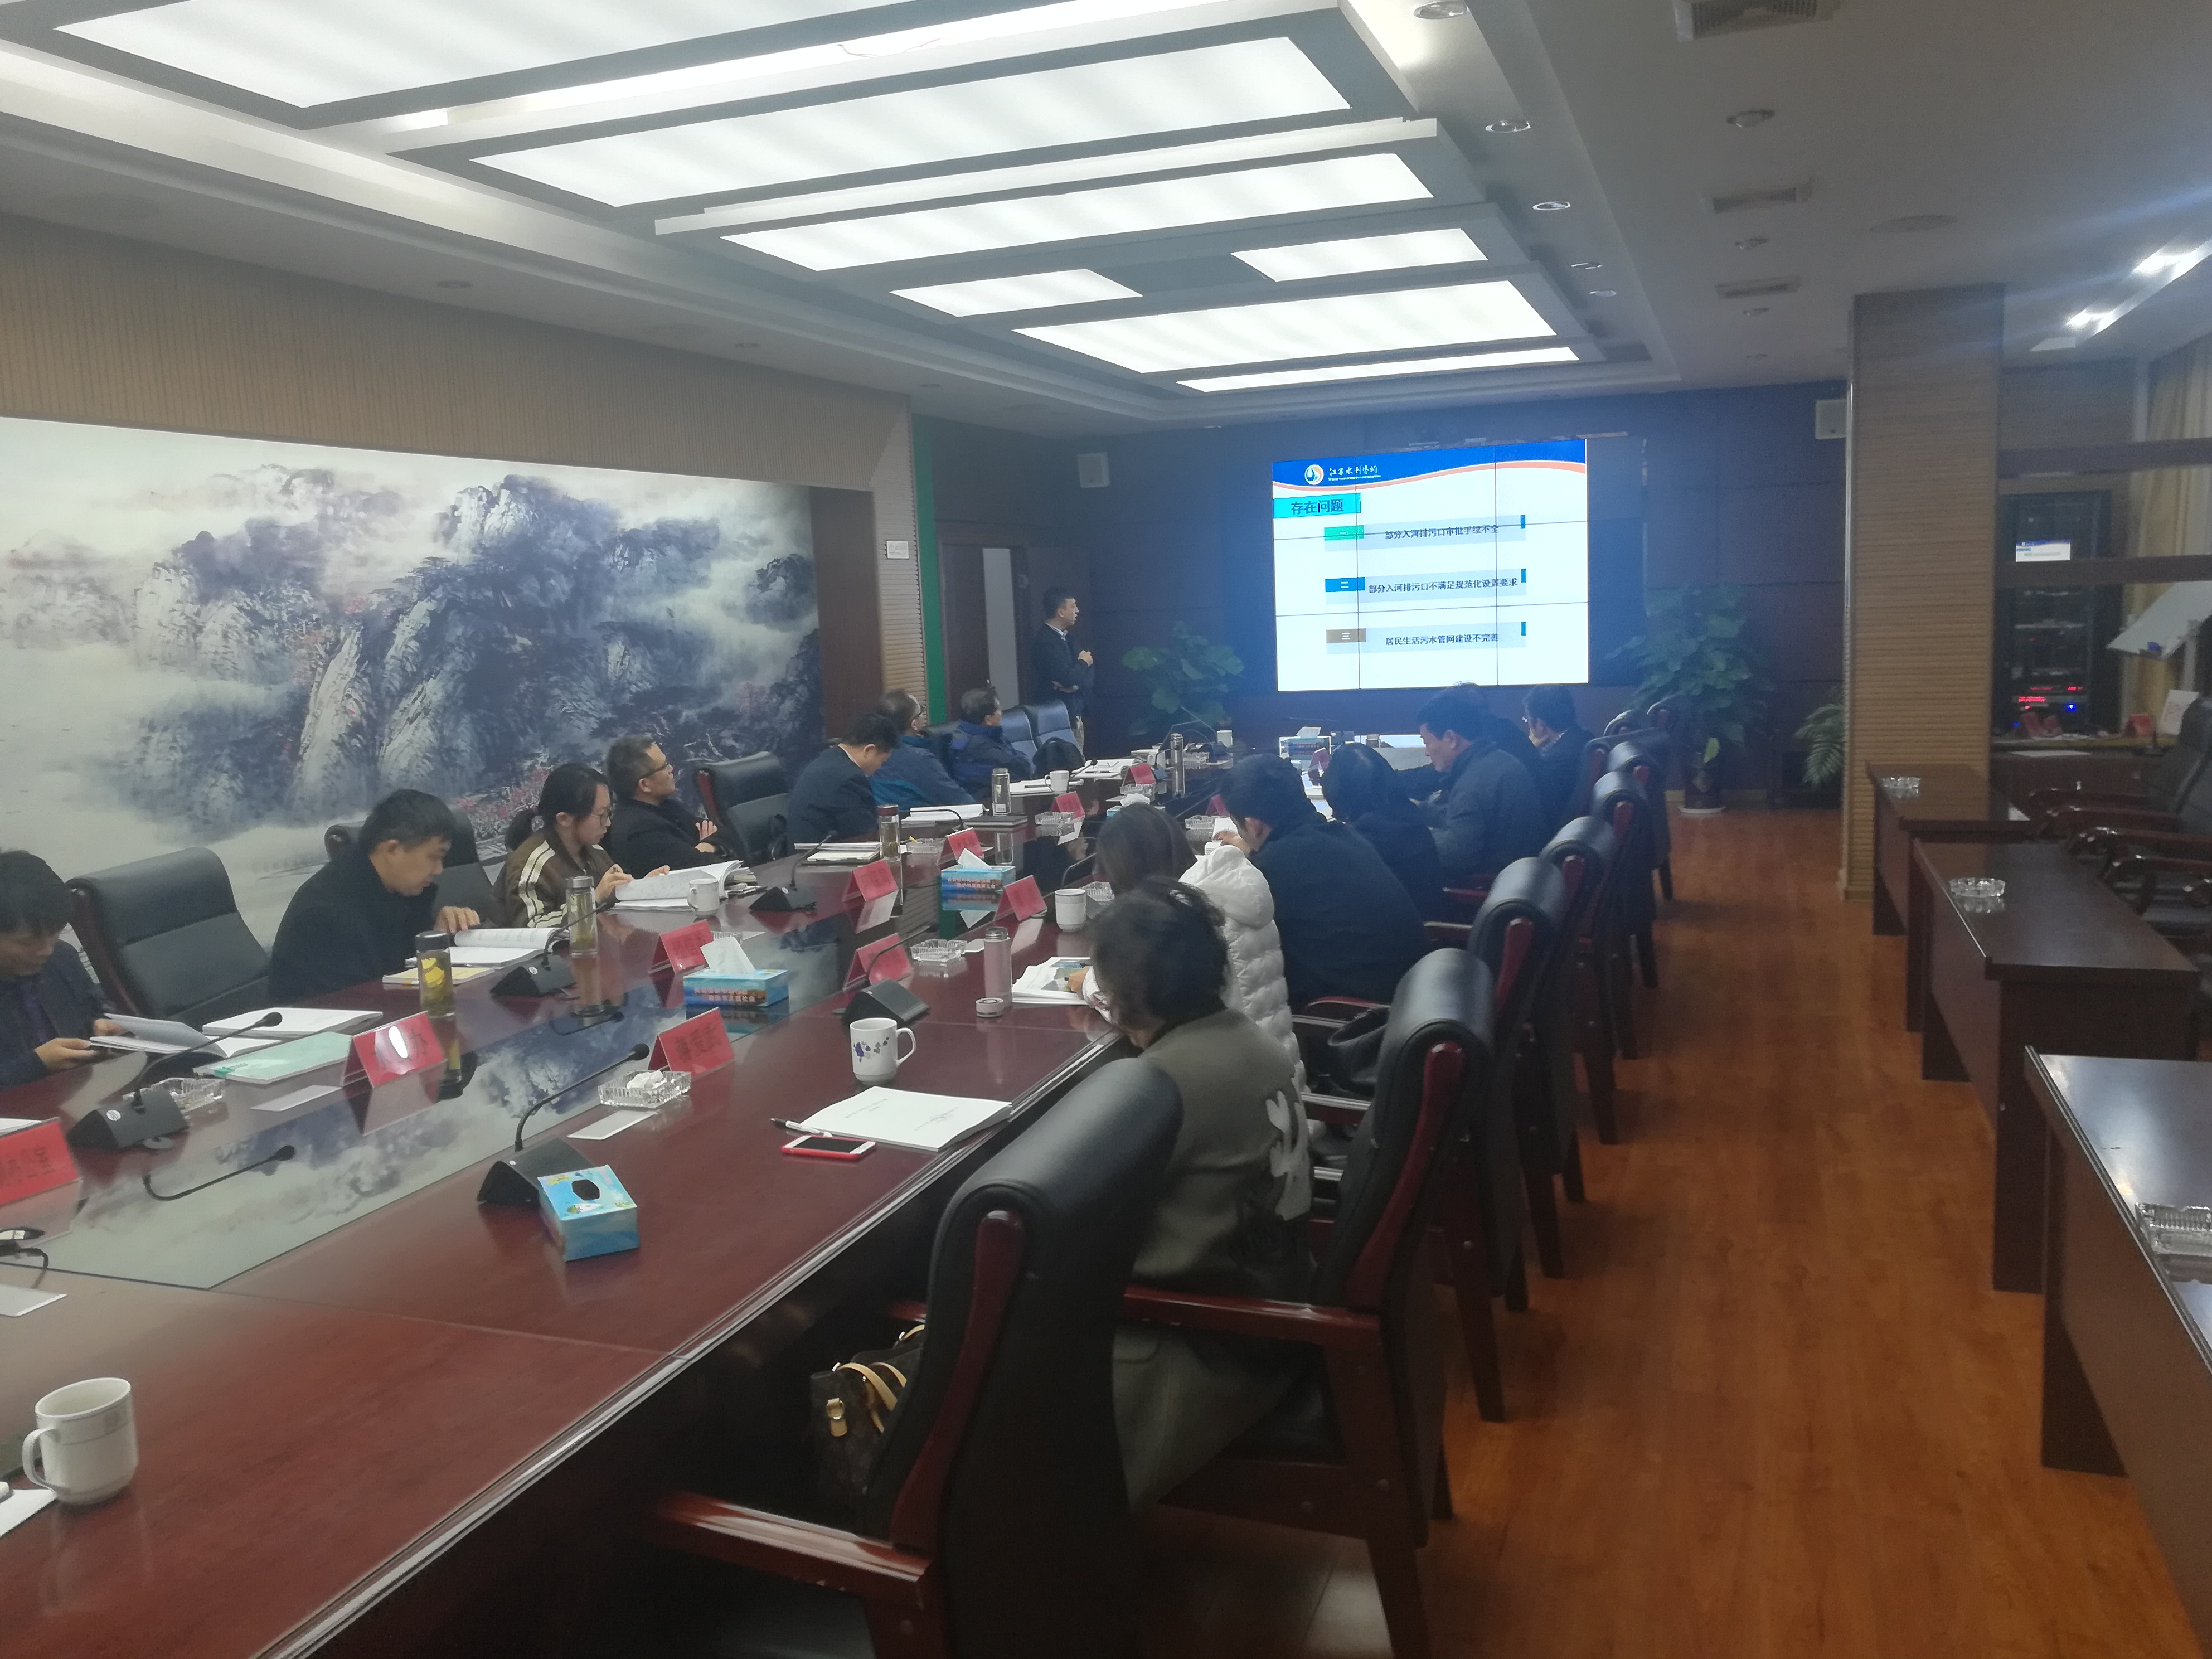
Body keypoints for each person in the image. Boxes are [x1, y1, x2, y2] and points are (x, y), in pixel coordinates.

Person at [1088, 879, 1311, 1509]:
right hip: (1272, 1315)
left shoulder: (1162, 1085)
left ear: (1128, 998)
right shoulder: (1253, 1042)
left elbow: (1084, 1226)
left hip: (1202, 1353)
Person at [1220, 756, 1428, 1006]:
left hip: (1354, 1013)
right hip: (1409, 993)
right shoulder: (1343, 835)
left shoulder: (1274, 868)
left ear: (1253, 826)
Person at [269, 790, 483, 1001]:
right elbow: (364, 999)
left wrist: (436, 935)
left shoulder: (396, 890)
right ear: (392, 850)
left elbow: (405, 965)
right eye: (434, 857)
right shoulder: (326, 914)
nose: (439, 870)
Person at [0, 851, 120, 1088]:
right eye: (26, 942)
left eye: (55, 933)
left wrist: (102, 1025)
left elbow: (95, 1008)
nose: (46, 950)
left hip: (78, 1095)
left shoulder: (62, 957)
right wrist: (36, 1065)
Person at [1415, 685, 1549, 885]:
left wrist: (1412, 834)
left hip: (1489, 888)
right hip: (1522, 879)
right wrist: (1421, 810)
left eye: (1427, 742)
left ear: (1451, 739)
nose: (1427, 752)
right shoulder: (1496, 760)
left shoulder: (1473, 783)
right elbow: (1468, 820)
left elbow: (1455, 857)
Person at [498, 764, 641, 928]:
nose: (608, 823)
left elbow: (611, 898)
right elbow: (532, 928)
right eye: (602, 815)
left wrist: (642, 887)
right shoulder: (532, 864)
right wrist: (591, 901)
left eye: (609, 812)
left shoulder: (594, 850)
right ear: (564, 819)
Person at [1320, 742, 1446, 920]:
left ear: (1337, 790)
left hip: (1396, 931)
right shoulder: (1410, 818)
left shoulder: (1363, 841)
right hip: (1425, 926)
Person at [603, 734, 729, 879]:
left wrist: (703, 847)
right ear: (645, 785)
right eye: (664, 766)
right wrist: (707, 847)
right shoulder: (639, 832)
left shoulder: (664, 806)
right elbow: (701, 868)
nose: (671, 769)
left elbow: (723, 834)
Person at [788, 712, 901, 842]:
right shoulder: (850, 779)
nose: (880, 767)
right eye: (883, 761)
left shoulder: (830, 759)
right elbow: (865, 835)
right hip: (818, 853)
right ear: (868, 750)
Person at [870, 690, 970, 811]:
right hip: (922, 822)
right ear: (914, 724)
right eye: (921, 712)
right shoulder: (919, 759)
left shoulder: (870, 752)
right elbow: (959, 800)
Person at [1524, 685, 1595, 827]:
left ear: (1539, 724)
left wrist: (1530, 749)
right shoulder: (1585, 738)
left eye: (1527, 719)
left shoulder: (1554, 761)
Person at [1030, 587, 1094, 746]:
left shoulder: (1070, 639)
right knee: (1065, 759)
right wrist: (1082, 664)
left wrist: (1076, 684)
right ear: (1061, 612)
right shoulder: (1045, 642)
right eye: (1073, 606)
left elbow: (1089, 672)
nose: (1077, 611)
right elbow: (1066, 677)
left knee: (1078, 757)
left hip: (1075, 711)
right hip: (1055, 714)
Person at [945, 687, 1034, 801]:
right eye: (999, 709)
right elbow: (1022, 770)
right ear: (988, 720)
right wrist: (1022, 761)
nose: (1001, 713)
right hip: (985, 801)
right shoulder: (975, 746)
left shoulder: (987, 734)